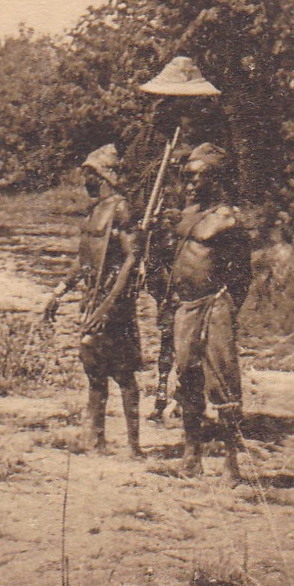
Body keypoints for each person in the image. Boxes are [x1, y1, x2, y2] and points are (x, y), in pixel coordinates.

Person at [129, 55, 227, 424]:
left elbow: (221, 190)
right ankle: (162, 392)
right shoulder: (155, 133)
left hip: (198, 237)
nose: (178, 108)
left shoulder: (214, 133)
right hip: (162, 238)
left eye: (184, 101)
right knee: (166, 313)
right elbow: (139, 182)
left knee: (200, 315)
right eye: (172, 100)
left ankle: (196, 398)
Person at [42, 143, 144, 456]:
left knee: (123, 372)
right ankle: (95, 440)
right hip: (93, 297)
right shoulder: (93, 212)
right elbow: (83, 261)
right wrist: (59, 292)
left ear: (101, 175)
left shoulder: (121, 208)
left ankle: (133, 445)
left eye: (89, 175)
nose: (85, 181)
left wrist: (109, 304)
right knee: (94, 368)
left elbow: (133, 258)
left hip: (114, 300)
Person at [165, 143, 254, 479]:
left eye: (197, 177)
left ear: (215, 179)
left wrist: (228, 307)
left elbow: (243, 273)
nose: (189, 183)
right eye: (186, 177)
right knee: (187, 376)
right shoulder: (183, 218)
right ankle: (191, 454)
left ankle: (232, 462)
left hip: (215, 305)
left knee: (223, 381)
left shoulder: (228, 220)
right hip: (185, 307)